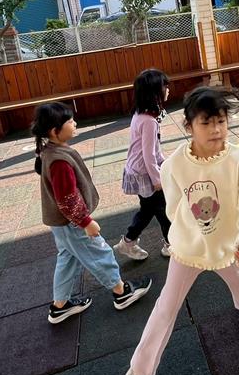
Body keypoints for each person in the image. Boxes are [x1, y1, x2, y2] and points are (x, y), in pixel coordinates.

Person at [119, 86, 239, 375]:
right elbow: (174, 207)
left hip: (229, 245)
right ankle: (140, 368)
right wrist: (189, 234)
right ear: (189, 126)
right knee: (166, 305)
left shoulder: (237, 158)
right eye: (206, 122)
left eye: (221, 121)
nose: (216, 129)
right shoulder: (174, 164)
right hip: (188, 249)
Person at [31, 102, 152, 324]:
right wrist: (86, 222)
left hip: (61, 223)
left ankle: (60, 306)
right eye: (70, 121)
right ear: (54, 131)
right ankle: (121, 292)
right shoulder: (59, 161)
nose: (75, 123)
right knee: (99, 253)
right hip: (71, 223)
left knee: (68, 259)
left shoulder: (51, 151)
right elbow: (67, 198)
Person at [115, 69, 172, 261]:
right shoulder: (149, 121)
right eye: (164, 86)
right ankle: (170, 244)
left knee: (148, 210)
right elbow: (148, 155)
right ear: (154, 93)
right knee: (162, 210)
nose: (168, 89)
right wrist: (157, 179)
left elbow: (153, 149)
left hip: (138, 169)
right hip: (144, 173)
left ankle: (128, 242)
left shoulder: (141, 114)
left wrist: (164, 163)